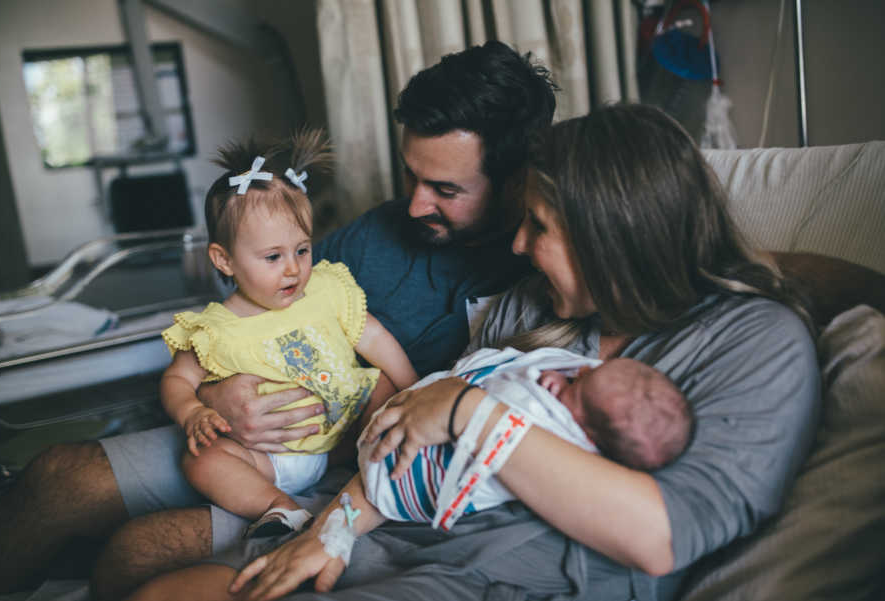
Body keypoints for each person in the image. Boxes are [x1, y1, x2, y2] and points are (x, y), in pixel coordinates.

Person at [125, 103, 820, 601]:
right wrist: (331, 528)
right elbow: (410, 431)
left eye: (539, 227)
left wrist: (468, 410)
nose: (517, 247)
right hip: (398, 527)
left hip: (496, 570)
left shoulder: (755, 345)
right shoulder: (532, 307)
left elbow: (659, 537)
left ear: (613, 237)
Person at [0, 40, 556, 599]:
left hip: (357, 474)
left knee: (137, 551)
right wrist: (215, 394)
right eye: (411, 176)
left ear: (514, 179)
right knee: (57, 476)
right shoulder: (378, 233)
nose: (413, 204)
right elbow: (259, 290)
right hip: (246, 438)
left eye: (445, 189)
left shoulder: (542, 279)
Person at [161, 132, 417, 538]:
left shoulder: (325, 290)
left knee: (384, 383)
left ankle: (367, 471)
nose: (294, 269)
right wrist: (192, 412)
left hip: (345, 436)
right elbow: (177, 379)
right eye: (273, 257)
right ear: (223, 259)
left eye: (302, 249)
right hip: (273, 458)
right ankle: (280, 507)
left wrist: (416, 390)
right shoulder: (215, 328)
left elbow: (374, 337)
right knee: (201, 460)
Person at [359, 347, 693, 529]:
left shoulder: (564, 445)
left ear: (589, 438)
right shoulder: (597, 391)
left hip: (416, 481)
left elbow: (510, 402)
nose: (565, 378)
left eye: (572, 390)